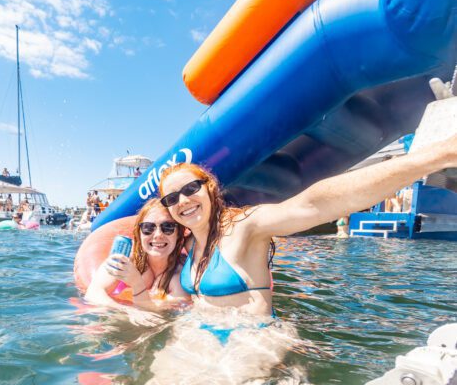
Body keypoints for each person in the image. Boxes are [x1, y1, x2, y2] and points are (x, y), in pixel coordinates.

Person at [158, 134, 457, 316]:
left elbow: (312, 204)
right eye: (172, 198)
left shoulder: (246, 226)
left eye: (190, 189)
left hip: (246, 343)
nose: (183, 200)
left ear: (209, 188)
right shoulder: (188, 245)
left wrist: (434, 156)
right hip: (199, 342)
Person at [85, 199, 190, 309]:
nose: (158, 234)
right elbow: (93, 293)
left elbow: (161, 315)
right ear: (139, 234)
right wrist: (128, 312)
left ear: (178, 234)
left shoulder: (180, 276)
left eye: (168, 227)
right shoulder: (126, 259)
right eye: (148, 227)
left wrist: (137, 284)